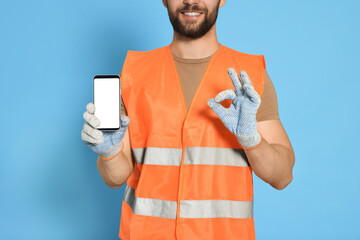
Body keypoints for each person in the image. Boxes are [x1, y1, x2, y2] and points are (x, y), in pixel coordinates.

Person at [81, 0, 295, 239]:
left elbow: (283, 176)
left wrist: (251, 139)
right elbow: (115, 178)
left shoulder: (250, 76)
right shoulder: (133, 73)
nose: (191, 1)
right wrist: (109, 153)